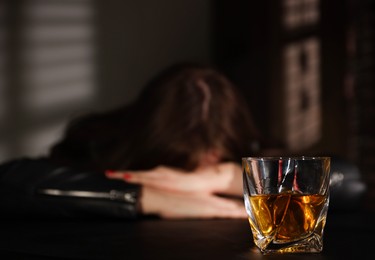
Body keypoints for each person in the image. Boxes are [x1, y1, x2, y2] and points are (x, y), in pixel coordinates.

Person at [0, 62, 261, 219]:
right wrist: (142, 197)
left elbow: (299, 184)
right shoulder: (98, 145)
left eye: (217, 158)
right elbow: (11, 181)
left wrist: (228, 177)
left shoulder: (248, 155)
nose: (204, 164)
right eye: (185, 160)